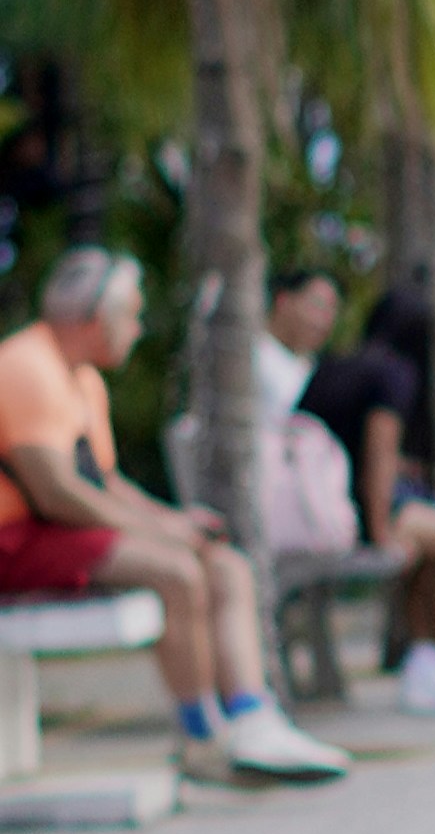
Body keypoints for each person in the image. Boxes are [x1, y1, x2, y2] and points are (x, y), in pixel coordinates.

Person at [0, 247, 346, 782]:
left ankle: (254, 719)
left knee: (225, 565)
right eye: (130, 315)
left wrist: (173, 522)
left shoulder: (83, 380)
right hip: (15, 538)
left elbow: (106, 483)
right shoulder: (26, 367)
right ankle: (203, 738)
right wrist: (160, 534)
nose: (136, 329)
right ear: (96, 318)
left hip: (49, 534)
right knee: (176, 571)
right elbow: (55, 494)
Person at [261, 268, 435, 718]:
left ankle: (426, 662)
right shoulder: (392, 375)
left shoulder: (342, 368)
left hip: (322, 500)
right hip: (337, 512)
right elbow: (377, 458)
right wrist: (381, 531)